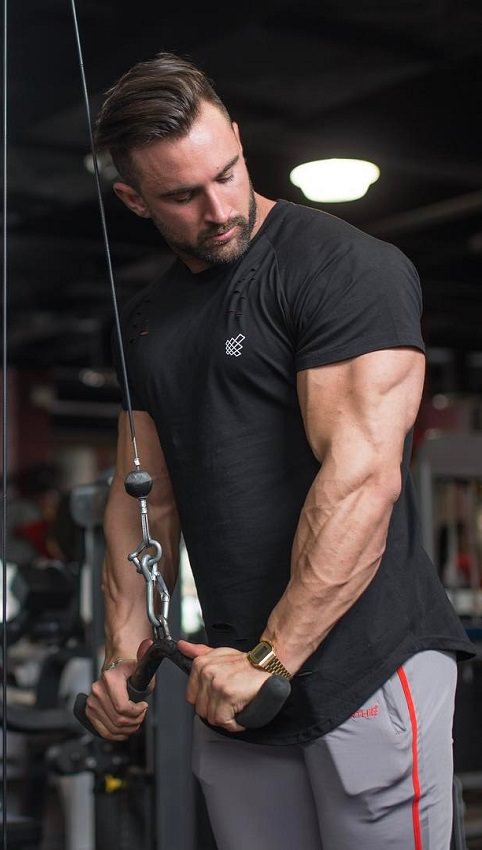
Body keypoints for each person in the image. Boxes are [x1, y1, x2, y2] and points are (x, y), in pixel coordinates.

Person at [82, 52, 475, 849]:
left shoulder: (342, 268)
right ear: (133, 199)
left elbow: (363, 479)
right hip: (230, 678)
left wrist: (272, 655)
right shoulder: (150, 320)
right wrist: (124, 646)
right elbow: (142, 496)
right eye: (182, 196)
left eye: (227, 173)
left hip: (363, 663)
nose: (218, 208)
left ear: (236, 137)